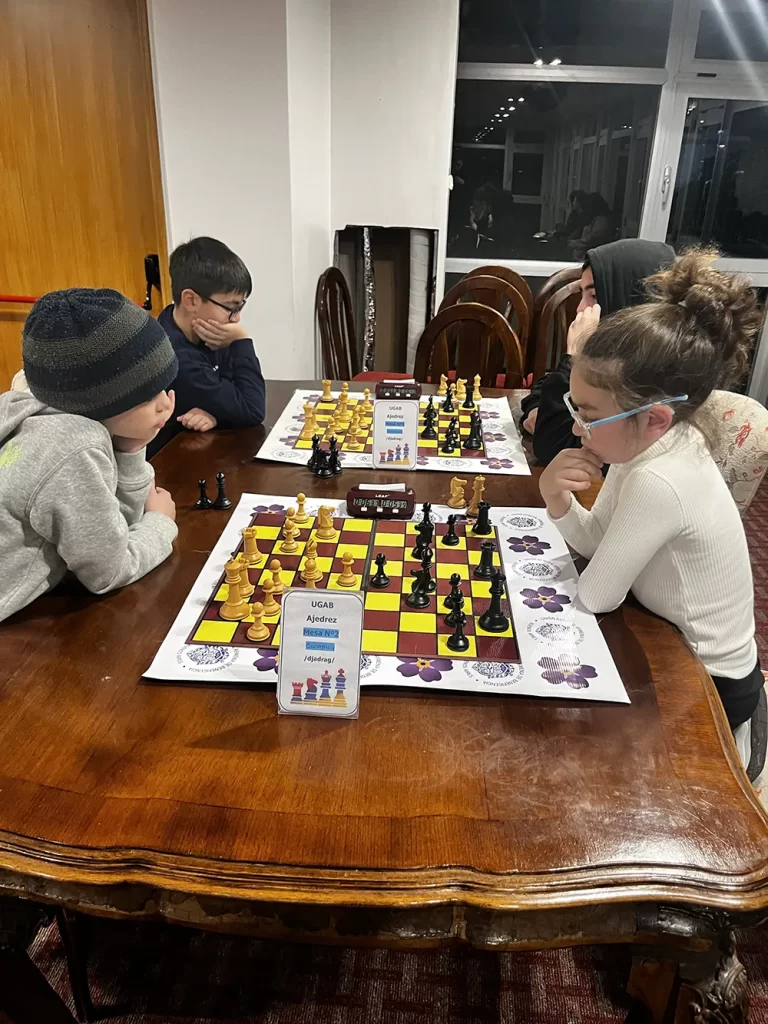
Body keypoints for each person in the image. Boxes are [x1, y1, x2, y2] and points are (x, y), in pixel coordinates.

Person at [539, 249, 766, 780]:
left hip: (708, 682)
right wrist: (556, 498)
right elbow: (597, 543)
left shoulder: (658, 478)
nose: (576, 428)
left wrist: (561, 504)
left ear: (654, 418)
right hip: (666, 640)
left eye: (588, 415)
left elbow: (597, 595)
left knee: (565, 753)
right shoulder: (649, 447)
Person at [0, 288, 179, 624]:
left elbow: (108, 530)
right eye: (145, 395)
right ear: (98, 399)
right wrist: (161, 523)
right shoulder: (72, 447)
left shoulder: (29, 409)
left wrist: (130, 448)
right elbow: (108, 571)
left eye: (164, 387)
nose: (165, 404)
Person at [521, 239, 676, 463]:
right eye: (582, 295)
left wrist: (575, 357)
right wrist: (537, 407)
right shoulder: (617, 350)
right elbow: (545, 386)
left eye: (593, 296)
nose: (580, 308)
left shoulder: (651, 372)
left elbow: (553, 448)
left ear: (632, 296)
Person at [147, 236, 266, 458]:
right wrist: (241, 341)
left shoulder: (201, 329)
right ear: (191, 300)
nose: (236, 319)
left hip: (194, 448)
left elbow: (237, 391)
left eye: (240, 307)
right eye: (231, 307)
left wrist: (217, 414)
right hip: (167, 463)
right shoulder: (174, 356)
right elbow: (253, 408)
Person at [567, 193, 616, 260]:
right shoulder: (593, 218)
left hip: (590, 258)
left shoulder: (602, 221)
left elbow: (592, 240)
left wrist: (575, 243)